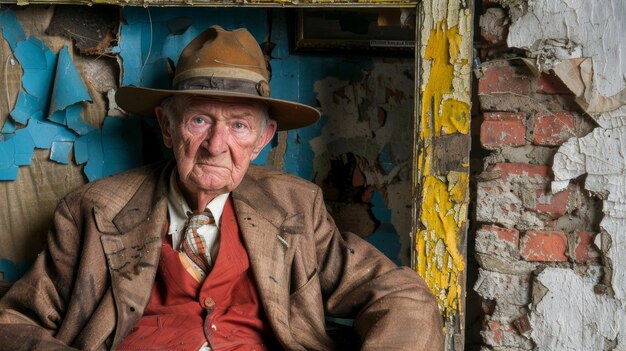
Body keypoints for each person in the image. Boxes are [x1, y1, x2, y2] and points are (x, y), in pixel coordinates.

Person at [0, 26, 443, 350]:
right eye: (199, 120)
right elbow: (12, 322)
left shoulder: (295, 206)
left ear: (263, 139)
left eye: (238, 126)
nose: (216, 145)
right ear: (167, 126)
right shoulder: (93, 210)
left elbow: (401, 296)